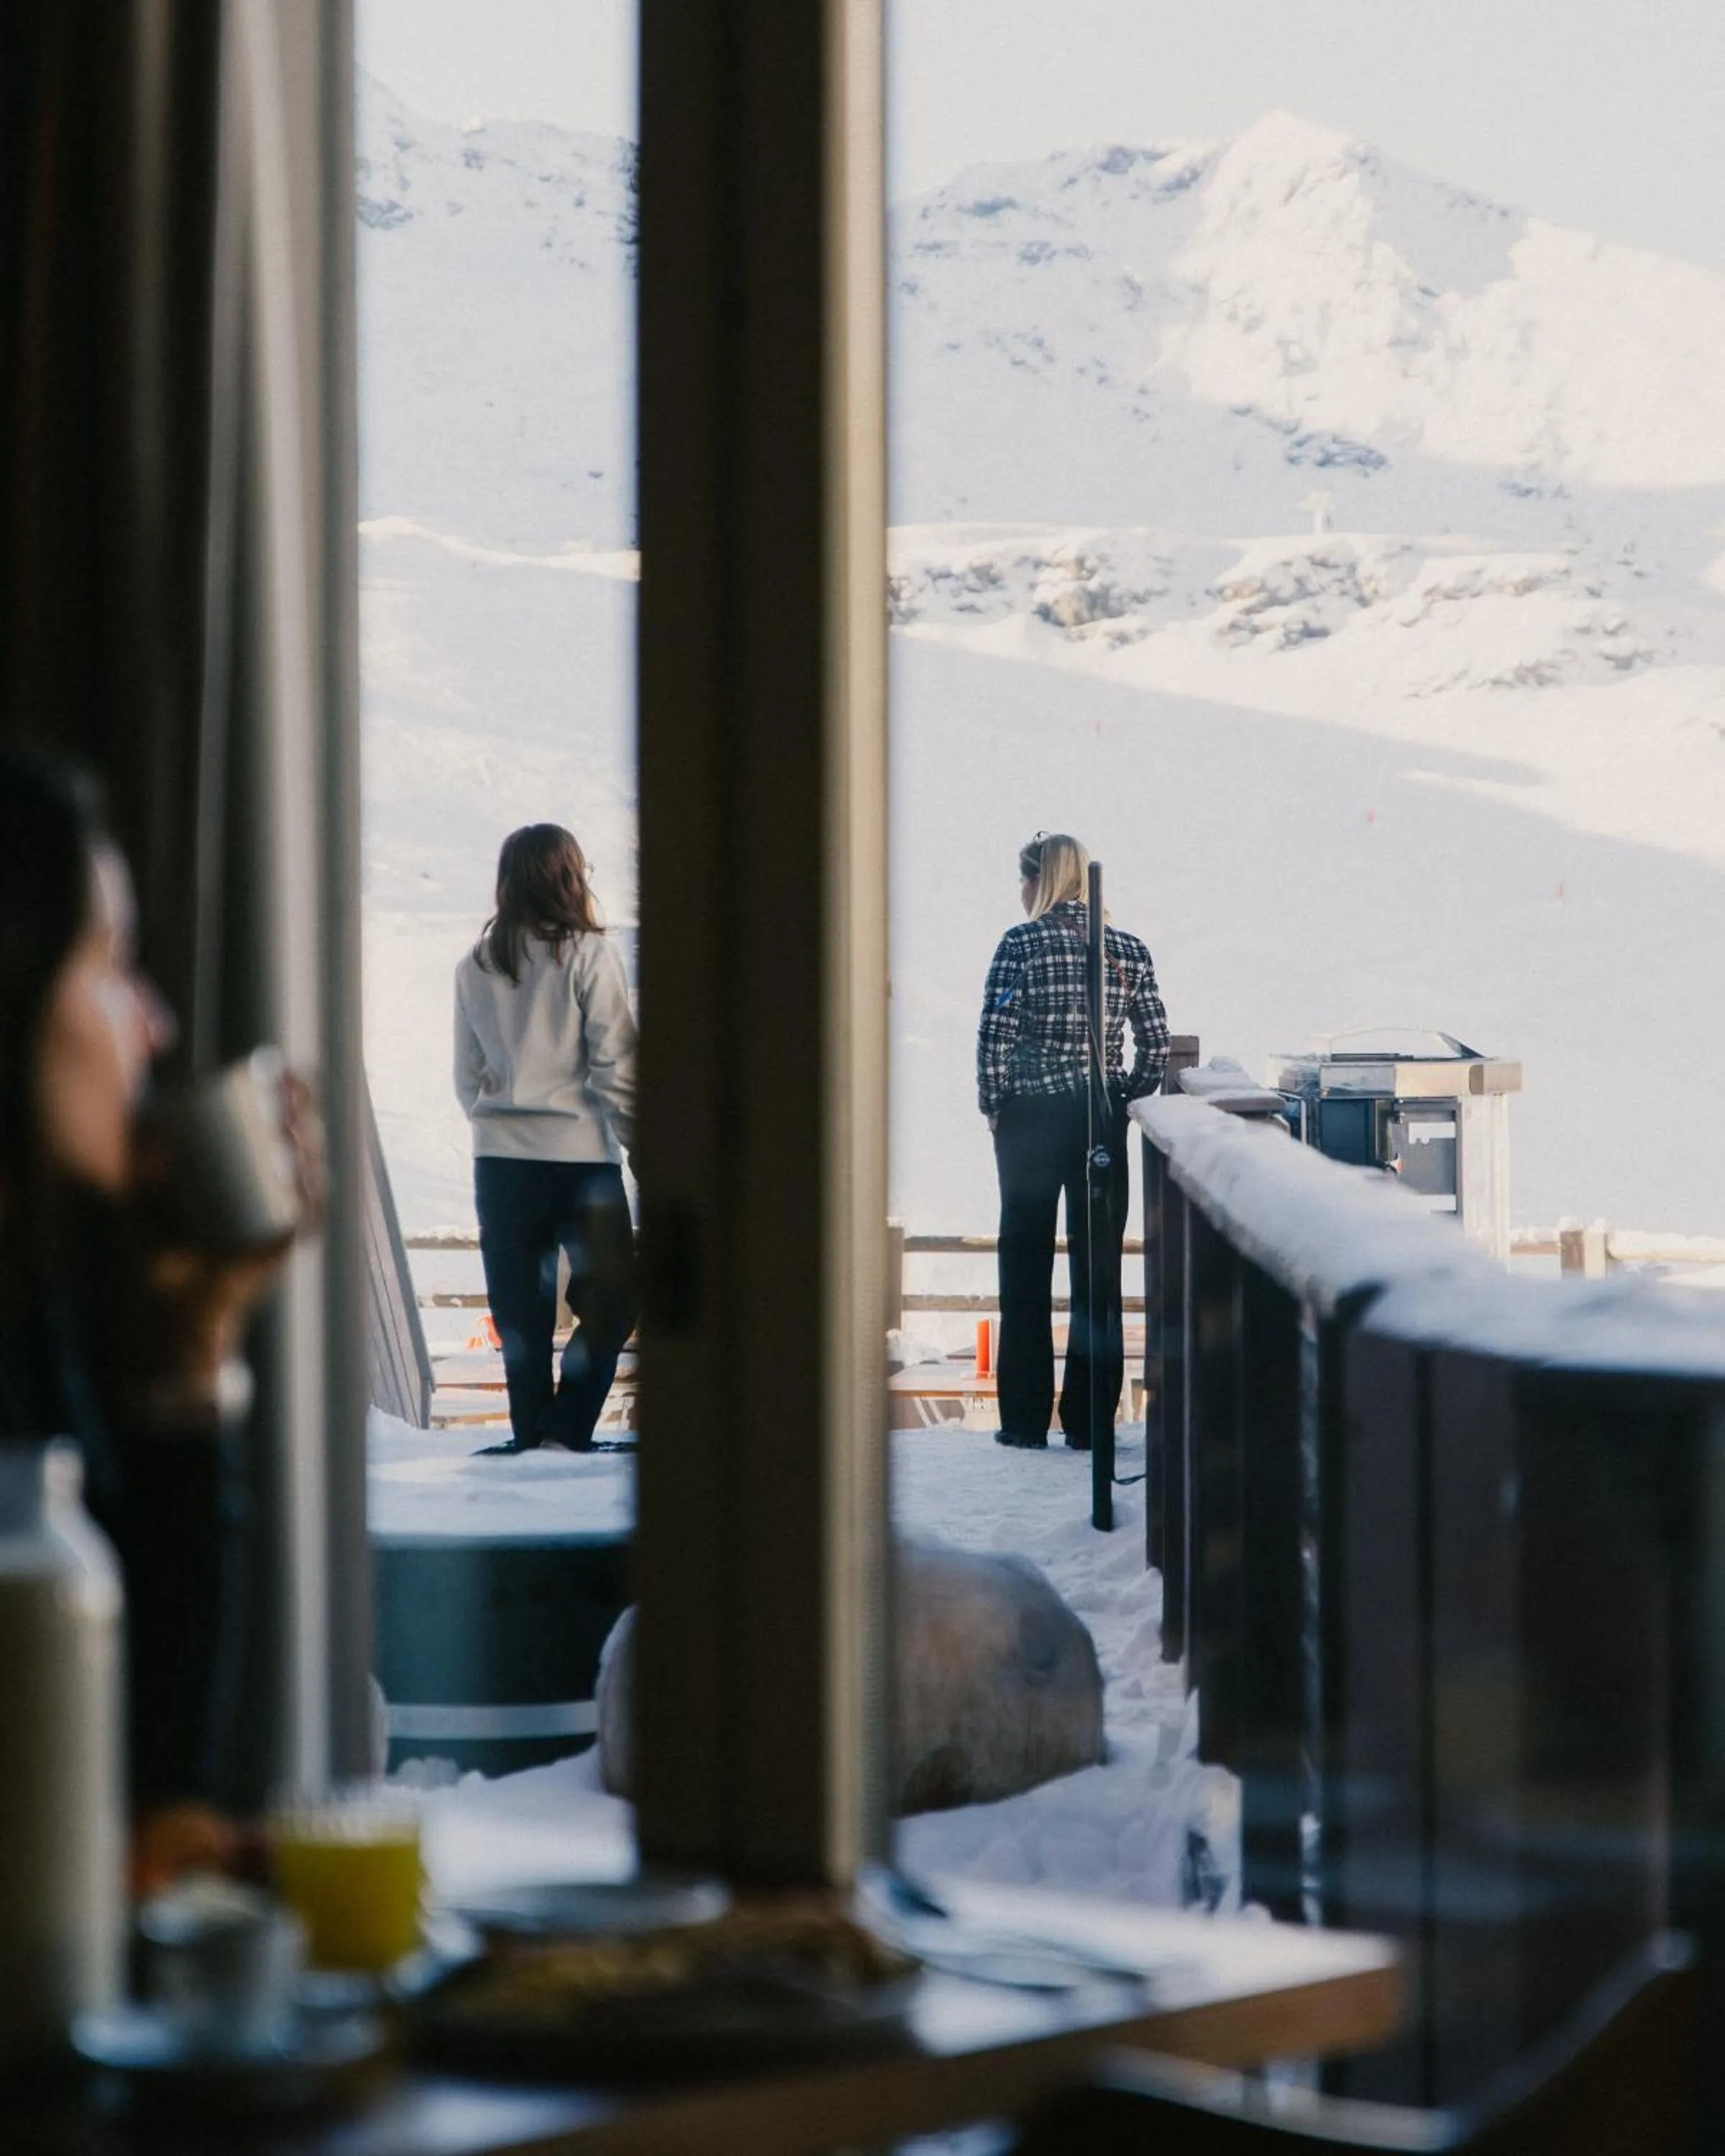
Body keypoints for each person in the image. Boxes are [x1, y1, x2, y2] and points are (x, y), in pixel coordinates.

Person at [0, 744, 319, 1817]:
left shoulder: (26, 1294)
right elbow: (127, 1793)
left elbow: (133, 1776)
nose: (156, 1023)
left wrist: (197, 1339)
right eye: (109, 966)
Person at [976, 831, 1169, 1450]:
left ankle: (1025, 1421)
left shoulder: (1020, 945)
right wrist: (1124, 1097)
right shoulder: (1126, 950)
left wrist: (995, 1105)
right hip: (1100, 1120)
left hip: (1030, 1123)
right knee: (1099, 1275)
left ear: (1039, 882)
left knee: (1025, 1267)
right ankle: (1089, 1422)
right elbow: (1157, 1044)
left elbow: (995, 1038)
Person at [454, 823, 638, 1455]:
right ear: (570, 876)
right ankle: (564, 1432)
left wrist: (498, 1125)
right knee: (611, 1306)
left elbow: (465, 1075)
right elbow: (617, 1067)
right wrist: (643, 1143)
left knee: (522, 1321)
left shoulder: (474, 966)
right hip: (581, 1162)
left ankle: (533, 1439)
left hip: (500, 1166)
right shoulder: (589, 955)